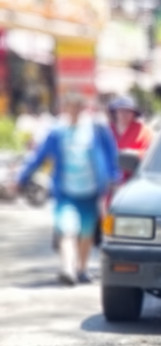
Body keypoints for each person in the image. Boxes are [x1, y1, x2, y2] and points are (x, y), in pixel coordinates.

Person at [17, 94, 120, 285]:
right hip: (65, 191)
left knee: (86, 233)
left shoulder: (96, 129)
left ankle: (81, 269)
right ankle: (68, 269)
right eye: (70, 107)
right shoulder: (57, 130)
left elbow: (111, 154)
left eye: (77, 107)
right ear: (65, 108)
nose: (73, 111)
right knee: (67, 230)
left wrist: (114, 177)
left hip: (91, 190)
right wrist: (21, 177)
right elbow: (39, 156)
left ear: (82, 108)